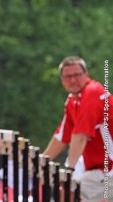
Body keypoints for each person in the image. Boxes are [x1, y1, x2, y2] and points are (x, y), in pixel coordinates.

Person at [43, 56, 113, 202]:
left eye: (77, 75)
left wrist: (69, 170)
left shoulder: (92, 92)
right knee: (65, 189)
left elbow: (80, 136)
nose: (73, 80)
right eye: (68, 76)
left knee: (70, 192)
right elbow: (61, 137)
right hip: (98, 168)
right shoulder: (72, 101)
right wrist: (39, 162)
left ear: (86, 75)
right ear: (62, 79)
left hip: (109, 168)